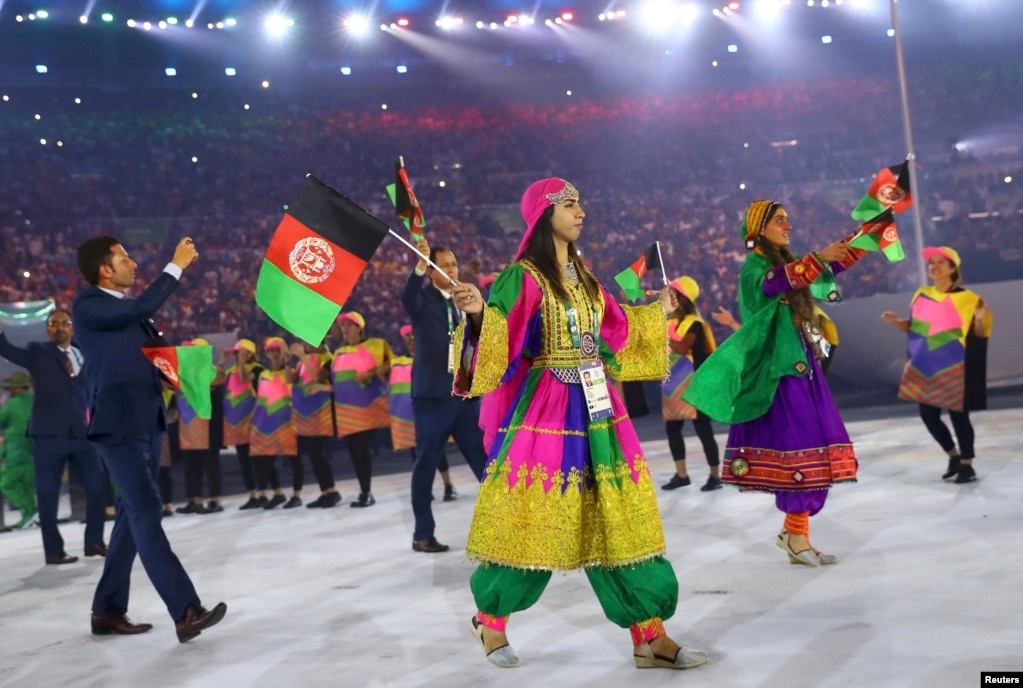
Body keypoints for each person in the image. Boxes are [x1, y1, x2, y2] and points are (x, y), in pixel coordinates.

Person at [450, 177, 707, 671]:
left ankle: (649, 635)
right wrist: (481, 313)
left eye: (581, 203)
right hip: (548, 411)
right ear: (544, 215)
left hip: (599, 410)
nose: (580, 211)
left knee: (619, 518)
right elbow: (500, 337)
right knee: (535, 518)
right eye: (569, 204)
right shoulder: (523, 276)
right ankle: (491, 618)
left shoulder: (586, 279)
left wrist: (655, 313)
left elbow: (618, 332)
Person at [683, 200, 866, 567]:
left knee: (816, 446)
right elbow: (777, 282)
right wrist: (817, 258)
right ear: (759, 228)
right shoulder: (756, 267)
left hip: (800, 364)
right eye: (780, 220)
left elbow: (820, 271)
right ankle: (795, 536)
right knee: (802, 445)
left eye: (788, 219)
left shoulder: (787, 262)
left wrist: (865, 236)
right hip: (778, 372)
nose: (788, 226)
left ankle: (796, 535)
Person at [72, 235, 226, 642]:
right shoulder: (89, 304)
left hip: (146, 424)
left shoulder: (131, 314)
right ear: (104, 269)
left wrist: (195, 374)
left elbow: (160, 359)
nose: (133, 263)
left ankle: (107, 609)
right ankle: (186, 609)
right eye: (124, 258)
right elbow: (143, 305)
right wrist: (175, 265)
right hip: (117, 425)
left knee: (130, 516)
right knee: (146, 510)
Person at [401, 239, 488, 552]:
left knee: (486, 463)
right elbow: (407, 297)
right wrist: (420, 265)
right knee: (426, 463)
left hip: (465, 396)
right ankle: (423, 534)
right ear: (432, 272)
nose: (451, 269)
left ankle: (506, 525)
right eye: (444, 265)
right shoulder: (422, 300)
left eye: (453, 264)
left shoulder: (464, 299)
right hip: (432, 399)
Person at [0, 309, 108, 563]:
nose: (59, 327)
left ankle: (93, 541)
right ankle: (53, 551)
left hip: (81, 434)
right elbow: (7, 349)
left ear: (72, 328)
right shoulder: (38, 352)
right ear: (48, 329)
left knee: (98, 485)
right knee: (48, 495)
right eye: (53, 323)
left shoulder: (85, 353)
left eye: (64, 323)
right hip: (48, 436)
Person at [881, 246, 992, 484]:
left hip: (954, 365)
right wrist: (896, 322)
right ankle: (953, 455)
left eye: (941, 262)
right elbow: (914, 327)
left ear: (953, 268)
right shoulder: (921, 295)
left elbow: (978, 335)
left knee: (959, 416)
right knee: (928, 416)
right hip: (925, 365)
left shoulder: (969, 299)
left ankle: (967, 464)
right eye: (932, 263)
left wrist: (980, 321)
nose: (935, 266)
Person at [659, 276, 722, 492]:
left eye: (674, 295)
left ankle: (715, 475)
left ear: (684, 299)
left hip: (696, 384)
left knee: (702, 428)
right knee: (672, 428)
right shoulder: (669, 323)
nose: (670, 299)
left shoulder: (695, 324)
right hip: (673, 383)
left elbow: (681, 347)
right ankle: (682, 474)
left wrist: (661, 334)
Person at [388, 325, 459, 503]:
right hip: (409, 416)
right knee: (417, 455)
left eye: (413, 337)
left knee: (437, 450)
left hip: (431, 413)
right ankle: (425, 490)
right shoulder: (397, 362)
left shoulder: (432, 358)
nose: (411, 341)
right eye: (408, 339)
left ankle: (448, 485)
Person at [331, 312, 393, 508]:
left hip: (369, 406)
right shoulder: (338, 353)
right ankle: (364, 491)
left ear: (359, 327)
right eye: (344, 325)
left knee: (360, 448)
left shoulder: (376, 344)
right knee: (354, 451)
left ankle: (366, 492)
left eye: (349, 324)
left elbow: (392, 364)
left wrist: (371, 372)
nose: (345, 328)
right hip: (345, 411)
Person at [217, 339, 273, 509]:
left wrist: (241, 361)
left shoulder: (258, 369)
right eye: (235, 353)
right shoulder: (230, 371)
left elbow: (244, 379)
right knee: (243, 461)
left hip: (253, 420)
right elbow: (215, 380)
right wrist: (222, 361)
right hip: (236, 423)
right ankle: (252, 494)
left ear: (249, 353)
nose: (236, 356)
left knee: (257, 460)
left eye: (239, 352)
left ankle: (263, 492)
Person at [174, 338, 225, 514]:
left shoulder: (211, 371)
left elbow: (217, 382)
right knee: (191, 464)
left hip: (207, 425)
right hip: (188, 425)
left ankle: (214, 499)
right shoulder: (185, 373)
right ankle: (195, 499)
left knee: (211, 463)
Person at [288, 340, 341, 508]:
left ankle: (331, 491)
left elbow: (319, 376)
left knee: (316, 452)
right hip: (307, 412)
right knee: (313, 453)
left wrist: (303, 357)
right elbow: (291, 379)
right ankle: (326, 491)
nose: (305, 345)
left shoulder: (328, 357)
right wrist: (287, 360)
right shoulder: (302, 361)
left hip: (323, 410)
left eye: (308, 342)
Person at [248, 337, 300, 509]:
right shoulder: (263, 374)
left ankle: (296, 494)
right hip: (266, 423)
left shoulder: (290, 370)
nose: (275, 354)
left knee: (293, 458)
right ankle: (278, 492)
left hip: (287, 420)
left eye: (278, 350)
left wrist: (287, 360)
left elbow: (288, 379)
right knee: (265, 458)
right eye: (272, 351)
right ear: (267, 353)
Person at [0, 372, 38, 530]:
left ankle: (29, 511)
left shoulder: (13, 403)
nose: (10, 391)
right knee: (27, 485)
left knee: (7, 482)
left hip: (16, 450)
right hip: (33, 450)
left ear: (19, 388)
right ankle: (29, 517)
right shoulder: (35, 400)